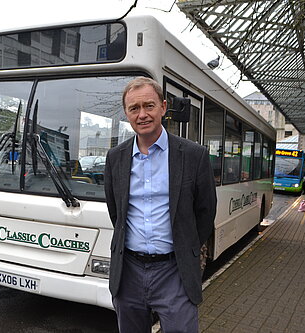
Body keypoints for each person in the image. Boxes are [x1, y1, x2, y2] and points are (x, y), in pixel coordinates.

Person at [104, 77, 217, 333]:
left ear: (163, 107)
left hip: (174, 271)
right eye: (134, 108)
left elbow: (205, 211)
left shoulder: (193, 155)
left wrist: (186, 247)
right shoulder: (115, 158)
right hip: (128, 272)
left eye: (149, 106)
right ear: (127, 113)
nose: (142, 114)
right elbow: (117, 212)